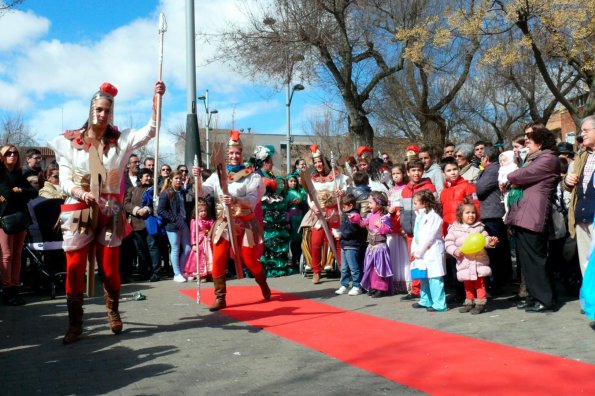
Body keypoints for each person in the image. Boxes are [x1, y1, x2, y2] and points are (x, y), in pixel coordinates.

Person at [47, 80, 166, 344]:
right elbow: (64, 179)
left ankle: (113, 310)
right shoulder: (69, 142)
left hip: (110, 210)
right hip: (79, 208)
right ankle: (75, 323)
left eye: (107, 111)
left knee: (110, 269)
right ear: (91, 110)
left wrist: (156, 102)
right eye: (98, 109)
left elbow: (151, 130)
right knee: (75, 266)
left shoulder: (120, 141)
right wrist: (80, 193)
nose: (102, 115)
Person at [193, 130, 271, 311]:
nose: (234, 156)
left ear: (242, 154)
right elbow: (201, 191)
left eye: (237, 153)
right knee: (218, 257)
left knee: (250, 260)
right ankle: (220, 297)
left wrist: (237, 200)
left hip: (245, 220)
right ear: (227, 155)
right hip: (224, 221)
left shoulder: (252, 175)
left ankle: (262, 282)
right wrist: (196, 178)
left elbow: (253, 200)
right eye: (231, 153)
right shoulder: (218, 174)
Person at [505, 127, 560, 313]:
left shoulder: (548, 158)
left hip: (532, 214)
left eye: (530, 139)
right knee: (527, 261)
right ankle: (534, 296)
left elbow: (519, 175)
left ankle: (545, 299)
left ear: (541, 142)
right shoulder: (534, 159)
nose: (526, 142)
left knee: (535, 259)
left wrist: (512, 176)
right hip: (524, 215)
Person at [300, 144, 348, 284]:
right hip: (319, 213)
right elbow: (310, 195)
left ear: (324, 161)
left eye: (320, 161)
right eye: (315, 162)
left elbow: (345, 185)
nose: (318, 164)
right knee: (316, 242)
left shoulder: (336, 174)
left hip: (334, 212)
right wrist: (313, 206)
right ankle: (316, 271)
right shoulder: (312, 178)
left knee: (338, 242)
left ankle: (342, 270)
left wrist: (342, 192)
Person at [444, 200, 498, 315]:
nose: (471, 215)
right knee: (467, 283)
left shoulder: (480, 228)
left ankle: (480, 303)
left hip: (478, 262)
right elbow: (448, 243)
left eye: (473, 213)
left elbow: (485, 240)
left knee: (480, 283)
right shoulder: (454, 229)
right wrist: (454, 250)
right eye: (467, 212)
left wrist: (491, 242)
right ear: (460, 215)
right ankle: (469, 302)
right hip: (464, 262)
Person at [0, 145, 37, 305]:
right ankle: (7, 290)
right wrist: (20, 192)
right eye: (9, 153)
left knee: (17, 255)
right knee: (6, 255)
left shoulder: (19, 174)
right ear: (2, 156)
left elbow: (34, 192)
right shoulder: (1, 174)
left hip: (21, 218)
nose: (13, 155)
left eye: (15, 153)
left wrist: (19, 190)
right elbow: (6, 193)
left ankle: (15, 288)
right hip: (4, 219)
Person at [475, 146, 513, 294]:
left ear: (486, 158)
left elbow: (479, 189)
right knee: (499, 250)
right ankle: (500, 281)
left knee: (496, 250)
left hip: (493, 215)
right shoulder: (494, 169)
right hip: (492, 214)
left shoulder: (492, 170)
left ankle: (499, 282)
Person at [252, 145, 292, 277]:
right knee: (266, 236)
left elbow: (276, 187)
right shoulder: (256, 174)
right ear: (264, 163)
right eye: (270, 162)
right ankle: (265, 266)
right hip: (263, 209)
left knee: (275, 235)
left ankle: (277, 265)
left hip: (273, 209)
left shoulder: (270, 174)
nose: (272, 163)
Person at [399, 159, 436, 301]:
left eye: (419, 170)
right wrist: (403, 226)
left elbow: (434, 210)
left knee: (424, 260)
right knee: (414, 260)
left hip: (424, 232)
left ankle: (425, 290)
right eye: (413, 170)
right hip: (410, 232)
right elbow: (403, 211)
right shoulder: (405, 189)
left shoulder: (429, 188)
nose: (416, 173)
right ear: (408, 172)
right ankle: (415, 290)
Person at [564, 115, 595, 277]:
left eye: (586, 130)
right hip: (580, 217)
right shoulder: (581, 156)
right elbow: (568, 186)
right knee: (586, 265)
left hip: (594, 216)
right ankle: (592, 301)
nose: (582, 134)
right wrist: (567, 181)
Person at [350, 191, 393, 298]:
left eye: (370, 203)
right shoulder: (370, 215)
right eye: (368, 203)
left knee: (380, 269)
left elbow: (390, 229)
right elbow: (362, 223)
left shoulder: (384, 217)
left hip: (380, 247)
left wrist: (381, 226)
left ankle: (381, 288)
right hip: (371, 247)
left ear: (378, 204)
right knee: (371, 268)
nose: (369, 205)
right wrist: (355, 217)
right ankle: (373, 286)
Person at [410, 190, 447, 312]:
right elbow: (416, 235)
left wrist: (420, 251)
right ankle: (425, 300)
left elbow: (429, 237)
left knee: (435, 277)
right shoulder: (420, 216)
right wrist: (414, 249)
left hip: (432, 250)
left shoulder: (434, 217)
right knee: (423, 276)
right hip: (421, 252)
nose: (414, 205)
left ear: (424, 203)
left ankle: (439, 304)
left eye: (416, 203)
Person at [123, 168, 160, 281]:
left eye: (150, 176)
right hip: (136, 224)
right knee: (140, 249)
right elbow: (126, 203)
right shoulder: (132, 190)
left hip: (150, 223)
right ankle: (143, 272)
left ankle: (156, 272)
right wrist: (136, 210)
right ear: (140, 178)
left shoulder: (154, 189)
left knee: (152, 247)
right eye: (146, 176)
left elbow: (156, 203)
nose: (149, 178)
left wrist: (147, 209)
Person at [157, 170, 192, 283]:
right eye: (176, 178)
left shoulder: (182, 191)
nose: (178, 180)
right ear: (171, 179)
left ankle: (181, 271)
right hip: (172, 225)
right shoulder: (166, 193)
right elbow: (160, 210)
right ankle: (176, 273)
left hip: (184, 223)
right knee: (175, 248)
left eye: (180, 178)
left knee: (187, 248)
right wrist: (174, 219)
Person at [335, 194, 366, 296]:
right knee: (344, 268)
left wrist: (341, 234)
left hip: (352, 245)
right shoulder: (346, 214)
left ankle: (357, 286)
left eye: (344, 206)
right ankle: (344, 284)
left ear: (350, 205)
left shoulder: (354, 216)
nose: (343, 209)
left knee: (354, 267)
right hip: (345, 244)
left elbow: (352, 230)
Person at [387, 163, 409, 294]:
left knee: (404, 253)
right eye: (393, 174)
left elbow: (406, 206)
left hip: (402, 223)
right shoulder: (390, 190)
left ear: (403, 174)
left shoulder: (406, 188)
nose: (395, 176)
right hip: (392, 223)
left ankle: (406, 281)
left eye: (398, 173)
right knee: (393, 252)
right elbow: (389, 204)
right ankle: (395, 281)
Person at [183, 198, 213, 282]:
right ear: (197, 212)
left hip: (208, 242)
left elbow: (213, 230)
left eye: (205, 211)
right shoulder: (194, 221)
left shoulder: (210, 220)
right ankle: (202, 275)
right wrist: (193, 244)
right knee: (200, 258)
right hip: (199, 242)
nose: (203, 213)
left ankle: (210, 273)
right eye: (201, 211)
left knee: (209, 257)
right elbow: (193, 233)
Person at [285, 172, 307, 269]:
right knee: (293, 239)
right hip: (291, 216)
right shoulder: (286, 193)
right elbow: (285, 208)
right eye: (291, 181)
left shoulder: (300, 192)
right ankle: (294, 259)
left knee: (300, 238)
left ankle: (299, 258)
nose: (293, 183)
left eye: (294, 181)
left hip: (300, 216)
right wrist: (287, 221)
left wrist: (301, 202)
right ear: (287, 182)